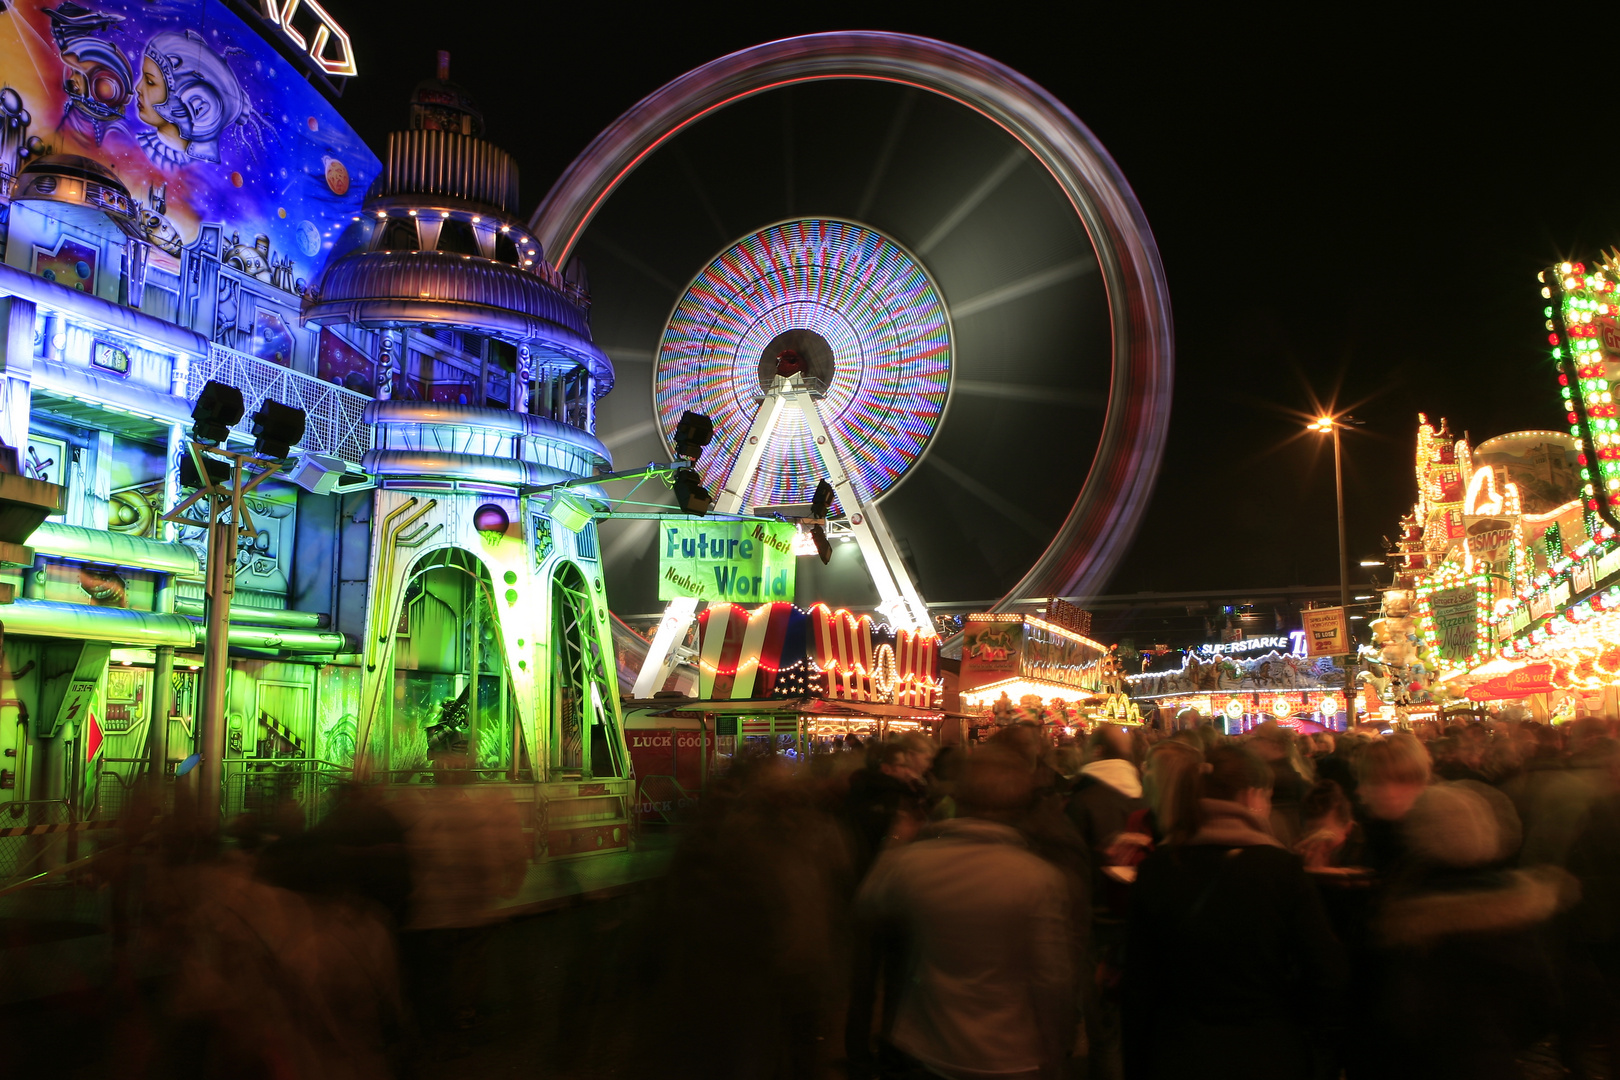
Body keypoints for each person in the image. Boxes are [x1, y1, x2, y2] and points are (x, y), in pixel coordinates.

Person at [1124, 744, 1345, 1080]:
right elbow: (1324, 969)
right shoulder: (1280, 871)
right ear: (1252, 796)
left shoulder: (1158, 869)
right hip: (1267, 1051)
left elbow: (1139, 983)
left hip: (1180, 1051)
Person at [857, 746, 1074, 1080]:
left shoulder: (916, 864)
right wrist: (1055, 1050)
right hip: (1010, 1052)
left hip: (929, 1044)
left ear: (960, 798)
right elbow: (1051, 979)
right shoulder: (1038, 878)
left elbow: (869, 904)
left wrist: (899, 839)